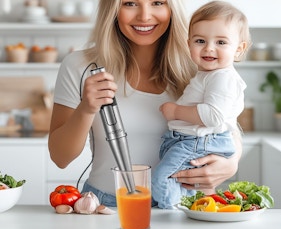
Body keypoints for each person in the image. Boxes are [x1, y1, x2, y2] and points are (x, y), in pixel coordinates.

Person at [48, 0, 243, 208]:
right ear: (112, 9)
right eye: (130, 3)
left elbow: (228, 129)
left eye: (157, 2)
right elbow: (61, 157)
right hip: (108, 205)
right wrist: (87, 108)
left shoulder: (200, 62)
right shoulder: (81, 66)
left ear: (171, 8)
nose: (144, 16)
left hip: (185, 206)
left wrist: (231, 164)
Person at [152, 1, 251, 209]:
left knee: (161, 179)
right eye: (200, 41)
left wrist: (176, 111)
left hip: (196, 141)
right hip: (190, 140)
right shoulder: (209, 75)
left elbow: (214, 116)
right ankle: (185, 210)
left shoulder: (222, 78)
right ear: (188, 44)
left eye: (221, 42)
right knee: (181, 183)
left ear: (239, 49)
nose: (209, 48)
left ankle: (170, 216)